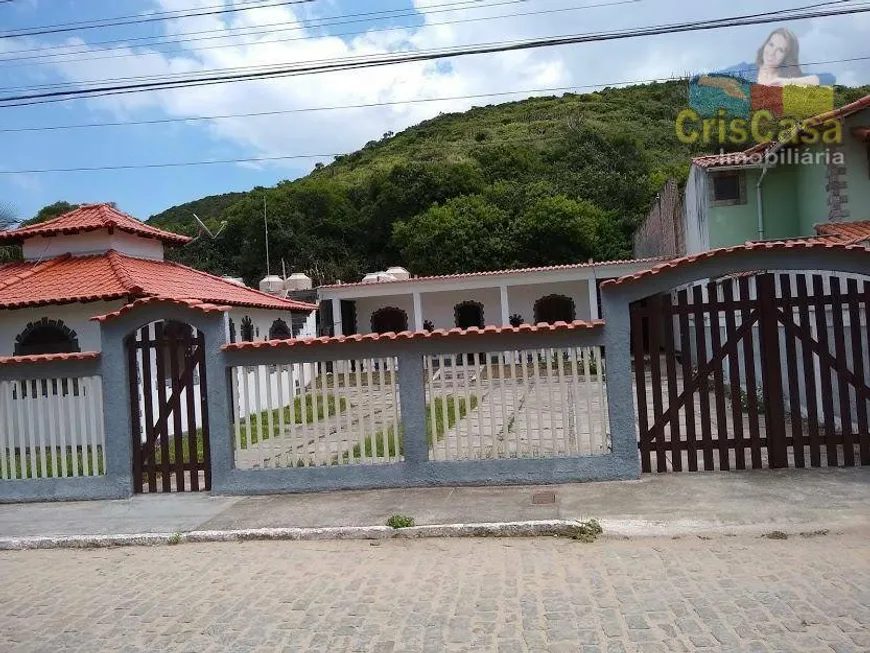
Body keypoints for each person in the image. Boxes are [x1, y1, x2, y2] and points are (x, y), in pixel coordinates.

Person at [698, 27, 836, 90]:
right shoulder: (744, 69)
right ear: (765, 45)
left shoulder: (789, 78)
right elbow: (703, 79)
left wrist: (788, 82)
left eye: (780, 50)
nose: (772, 52)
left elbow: (829, 78)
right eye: (771, 44)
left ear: (787, 57)